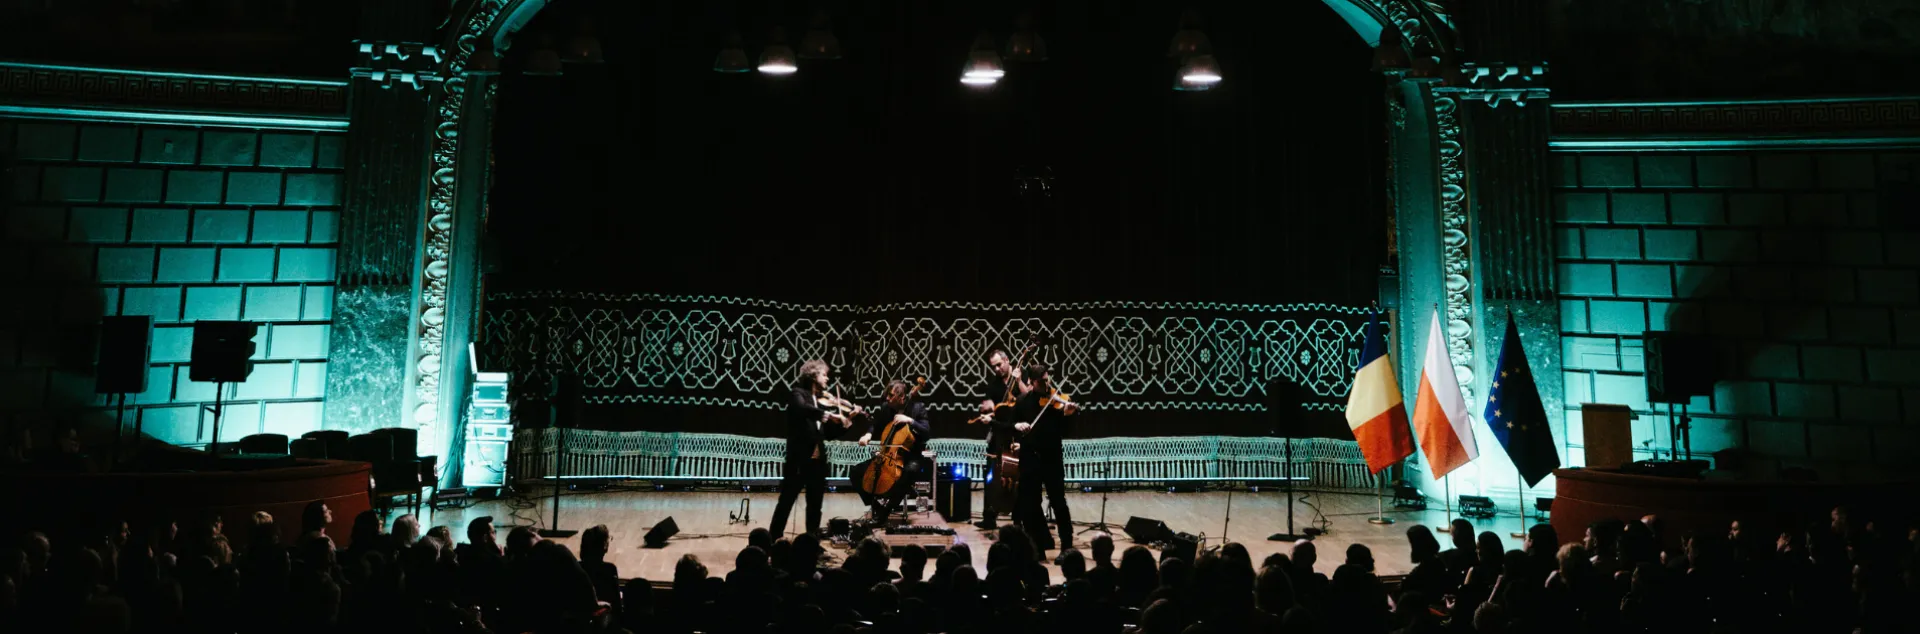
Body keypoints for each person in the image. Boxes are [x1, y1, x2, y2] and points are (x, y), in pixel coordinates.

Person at [769, 359, 858, 537]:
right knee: (786, 501)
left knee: (815, 506)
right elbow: (801, 408)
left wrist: (847, 422)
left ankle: (812, 542)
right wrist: (828, 414)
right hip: (798, 461)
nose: (827, 379)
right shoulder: (798, 394)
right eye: (823, 375)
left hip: (817, 462)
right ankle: (773, 539)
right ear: (812, 376)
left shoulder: (818, 401)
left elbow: (828, 434)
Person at [1007, 362, 1079, 559]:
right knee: (1031, 504)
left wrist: (1067, 415)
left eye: (1047, 380)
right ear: (1031, 382)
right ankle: (1037, 547)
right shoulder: (1022, 402)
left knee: (1058, 502)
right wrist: (1017, 428)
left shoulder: (1057, 402)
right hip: (1030, 459)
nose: (1046, 386)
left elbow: (1065, 432)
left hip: (1052, 459)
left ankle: (1067, 547)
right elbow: (1011, 425)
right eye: (1041, 382)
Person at [855, 379, 930, 526]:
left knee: (908, 472)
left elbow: (926, 432)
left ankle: (886, 511)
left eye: (891, 395)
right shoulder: (886, 408)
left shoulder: (918, 408)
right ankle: (877, 507)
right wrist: (868, 434)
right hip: (887, 455)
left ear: (901, 397)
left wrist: (910, 421)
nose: (887, 398)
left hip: (911, 456)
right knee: (856, 472)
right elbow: (876, 425)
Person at [973, 348, 1020, 531]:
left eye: (999, 365)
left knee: (1017, 478)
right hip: (998, 433)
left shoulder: (1020, 378)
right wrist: (987, 410)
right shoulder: (994, 385)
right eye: (993, 366)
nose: (997, 369)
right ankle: (989, 517)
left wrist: (1018, 381)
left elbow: (1027, 398)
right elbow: (992, 408)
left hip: (1016, 433)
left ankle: (1018, 519)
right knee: (990, 475)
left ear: (1007, 361)